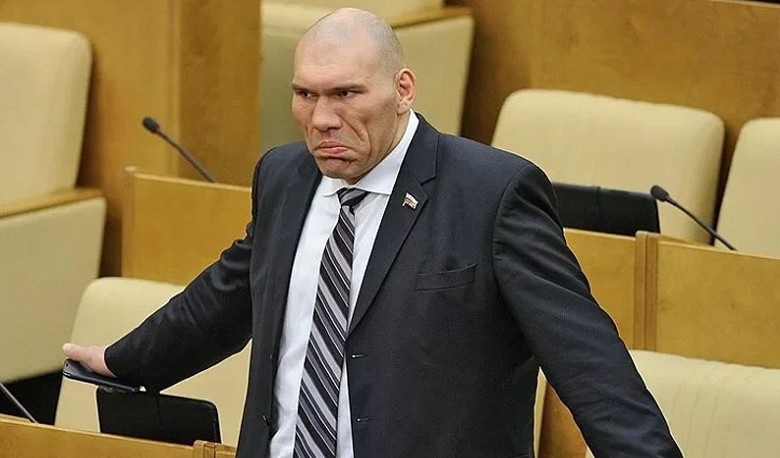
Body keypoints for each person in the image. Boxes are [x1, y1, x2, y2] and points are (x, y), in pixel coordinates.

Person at [63, 8, 682, 458]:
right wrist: (124, 360)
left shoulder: (492, 195)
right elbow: (231, 292)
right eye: (304, 95)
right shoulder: (284, 175)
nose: (322, 119)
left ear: (402, 89)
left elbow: (588, 362)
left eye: (346, 94)